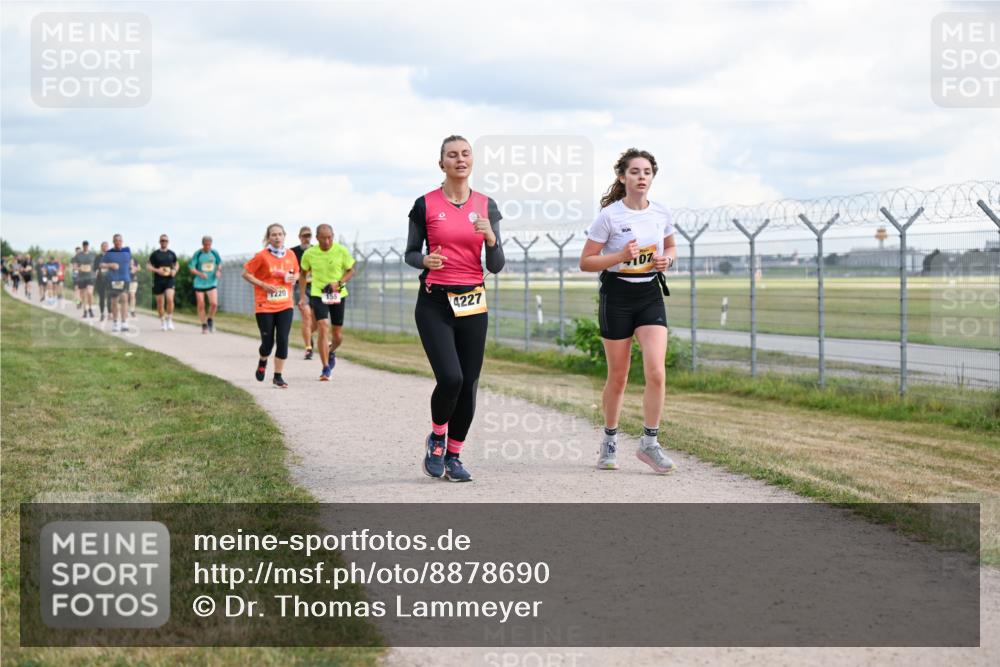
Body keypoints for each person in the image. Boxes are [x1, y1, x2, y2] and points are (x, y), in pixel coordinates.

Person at [404, 135, 505, 482]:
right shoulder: (425, 204)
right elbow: (410, 253)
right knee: (451, 378)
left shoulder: (487, 206)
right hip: (435, 301)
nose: (459, 159)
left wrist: (491, 238)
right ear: (441, 163)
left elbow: (496, 264)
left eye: (465, 153)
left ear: (472, 160)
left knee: (470, 383)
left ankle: (455, 455)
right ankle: (436, 439)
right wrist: (425, 260)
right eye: (452, 155)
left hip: (473, 301)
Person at [579, 148, 677, 474]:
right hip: (617, 295)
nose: (641, 177)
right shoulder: (610, 216)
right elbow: (586, 261)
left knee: (657, 371)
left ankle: (650, 443)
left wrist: (668, 259)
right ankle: (609, 440)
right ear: (623, 177)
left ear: (652, 177)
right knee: (618, 377)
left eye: (646, 172)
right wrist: (619, 255)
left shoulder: (661, 212)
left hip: (650, 293)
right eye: (634, 172)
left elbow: (671, 246)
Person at [242, 223, 299, 388]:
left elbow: (297, 271)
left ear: (284, 236)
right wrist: (263, 285)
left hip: (285, 304)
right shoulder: (261, 256)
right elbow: (245, 273)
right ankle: (263, 360)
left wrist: (294, 277)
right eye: (274, 234)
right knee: (268, 343)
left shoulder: (291, 255)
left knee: (283, 339)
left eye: (280, 234)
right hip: (265, 305)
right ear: (268, 237)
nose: (277, 237)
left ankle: (278, 376)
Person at [297, 224, 355, 380]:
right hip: (318, 293)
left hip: (338, 294)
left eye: (330, 237)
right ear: (317, 238)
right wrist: (302, 297)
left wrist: (339, 283)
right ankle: (325, 368)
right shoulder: (309, 254)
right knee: (323, 326)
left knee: (337, 335)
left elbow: (351, 270)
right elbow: (302, 275)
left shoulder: (341, 251)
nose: (327, 241)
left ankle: (332, 351)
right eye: (323, 238)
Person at [291, 226, 316, 359]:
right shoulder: (293, 252)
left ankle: (308, 334)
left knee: (317, 321)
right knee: (306, 316)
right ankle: (308, 348)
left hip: (316, 287)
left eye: (308, 236)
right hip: (300, 287)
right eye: (304, 236)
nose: (306, 239)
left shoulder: (316, 251)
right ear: (299, 237)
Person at [100, 234, 133, 333]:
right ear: (113, 242)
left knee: (124, 299)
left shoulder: (127, 250)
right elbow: (101, 265)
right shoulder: (109, 253)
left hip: (125, 279)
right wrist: (110, 265)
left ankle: (124, 322)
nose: (118, 242)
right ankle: (115, 323)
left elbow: (130, 262)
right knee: (114, 301)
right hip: (113, 280)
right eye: (116, 240)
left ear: (122, 241)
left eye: (120, 240)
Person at [191, 235, 222, 333]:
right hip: (199, 283)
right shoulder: (198, 254)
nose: (207, 246)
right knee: (201, 304)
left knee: (214, 304)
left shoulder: (214, 252)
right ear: (202, 244)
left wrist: (218, 271)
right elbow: (192, 268)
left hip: (211, 281)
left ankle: (210, 319)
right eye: (206, 245)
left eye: (209, 245)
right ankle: (204, 325)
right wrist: (200, 274)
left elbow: (219, 263)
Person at [148, 234, 178, 331]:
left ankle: (169, 319)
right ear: (159, 242)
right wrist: (157, 270)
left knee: (170, 299)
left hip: (169, 279)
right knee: (160, 303)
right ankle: (162, 321)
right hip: (158, 280)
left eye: (165, 240)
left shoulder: (171, 253)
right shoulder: (155, 254)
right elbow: (148, 266)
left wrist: (174, 271)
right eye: (162, 240)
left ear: (168, 242)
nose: (164, 242)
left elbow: (176, 264)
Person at [72, 241, 97, 318]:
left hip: (90, 277)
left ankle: (90, 309)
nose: (85, 247)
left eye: (87, 245)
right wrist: (80, 268)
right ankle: (85, 310)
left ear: (88, 246)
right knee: (83, 295)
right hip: (81, 278)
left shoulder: (93, 255)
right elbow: (74, 267)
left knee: (90, 293)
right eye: (84, 245)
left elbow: (96, 266)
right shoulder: (78, 256)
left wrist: (96, 272)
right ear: (83, 246)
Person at [93, 241, 110, 321]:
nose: (106, 247)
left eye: (107, 246)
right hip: (100, 279)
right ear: (101, 247)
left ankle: (110, 313)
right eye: (104, 246)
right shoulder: (98, 257)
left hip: (109, 279)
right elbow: (95, 268)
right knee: (102, 297)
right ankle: (102, 313)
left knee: (110, 296)